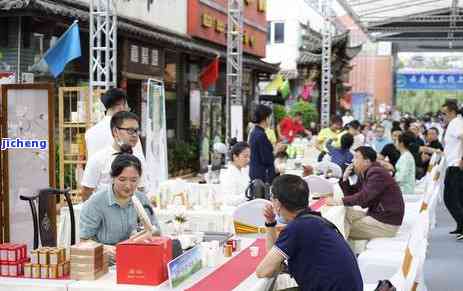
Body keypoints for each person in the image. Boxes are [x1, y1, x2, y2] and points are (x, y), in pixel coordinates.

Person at [256, 175, 363, 291]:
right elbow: (273, 264)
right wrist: (270, 223)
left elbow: (263, 271)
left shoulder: (297, 228)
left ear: (277, 203)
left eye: (272, 198)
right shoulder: (314, 220)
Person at [80, 149, 161, 261]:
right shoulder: (96, 203)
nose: (128, 186)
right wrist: (104, 248)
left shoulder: (141, 199)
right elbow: (83, 241)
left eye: (133, 180)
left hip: (137, 259)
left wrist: (145, 236)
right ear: (112, 178)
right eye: (122, 180)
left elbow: (156, 232)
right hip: (106, 264)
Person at [327, 146, 404, 240]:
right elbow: (354, 193)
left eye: (356, 158)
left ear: (367, 161)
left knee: (340, 226)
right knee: (343, 214)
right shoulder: (365, 172)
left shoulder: (376, 173)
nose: (352, 161)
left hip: (386, 222)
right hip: (377, 215)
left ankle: (342, 252)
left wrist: (339, 201)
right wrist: (345, 178)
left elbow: (363, 197)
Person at [80, 111, 148, 200]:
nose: (135, 135)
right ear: (115, 131)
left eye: (137, 130)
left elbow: (141, 189)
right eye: (130, 130)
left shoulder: (139, 158)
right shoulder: (98, 159)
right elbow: (86, 192)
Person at [85, 88, 144, 159]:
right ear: (121, 106)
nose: (128, 112)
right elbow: (139, 159)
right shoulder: (128, 131)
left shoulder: (90, 133)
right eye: (128, 109)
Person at [441, 100, 463, 239]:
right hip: (453, 164)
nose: (442, 116)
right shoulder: (454, 123)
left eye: (444, 113)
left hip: (456, 165)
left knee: (451, 198)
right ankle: (460, 226)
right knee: (456, 198)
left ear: (452, 112)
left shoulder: (456, 123)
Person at [249, 104, 276, 184]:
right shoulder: (261, 135)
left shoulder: (255, 132)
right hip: (262, 176)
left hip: (257, 174)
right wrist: (276, 150)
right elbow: (267, 158)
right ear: (266, 118)